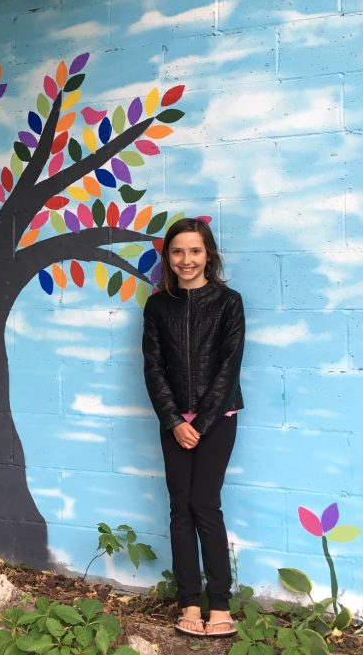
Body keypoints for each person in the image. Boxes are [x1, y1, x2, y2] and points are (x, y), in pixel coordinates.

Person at [141, 217, 245, 638]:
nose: (187, 259)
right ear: (168, 256)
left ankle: (219, 602)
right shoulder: (157, 306)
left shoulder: (228, 302)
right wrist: (172, 420)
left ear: (209, 255)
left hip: (218, 420)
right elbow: (153, 367)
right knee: (179, 507)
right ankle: (188, 599)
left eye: (195, 251)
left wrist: (198, 423)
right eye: (178, 251)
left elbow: (229, 365)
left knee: (205, 504)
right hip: (173, 423)